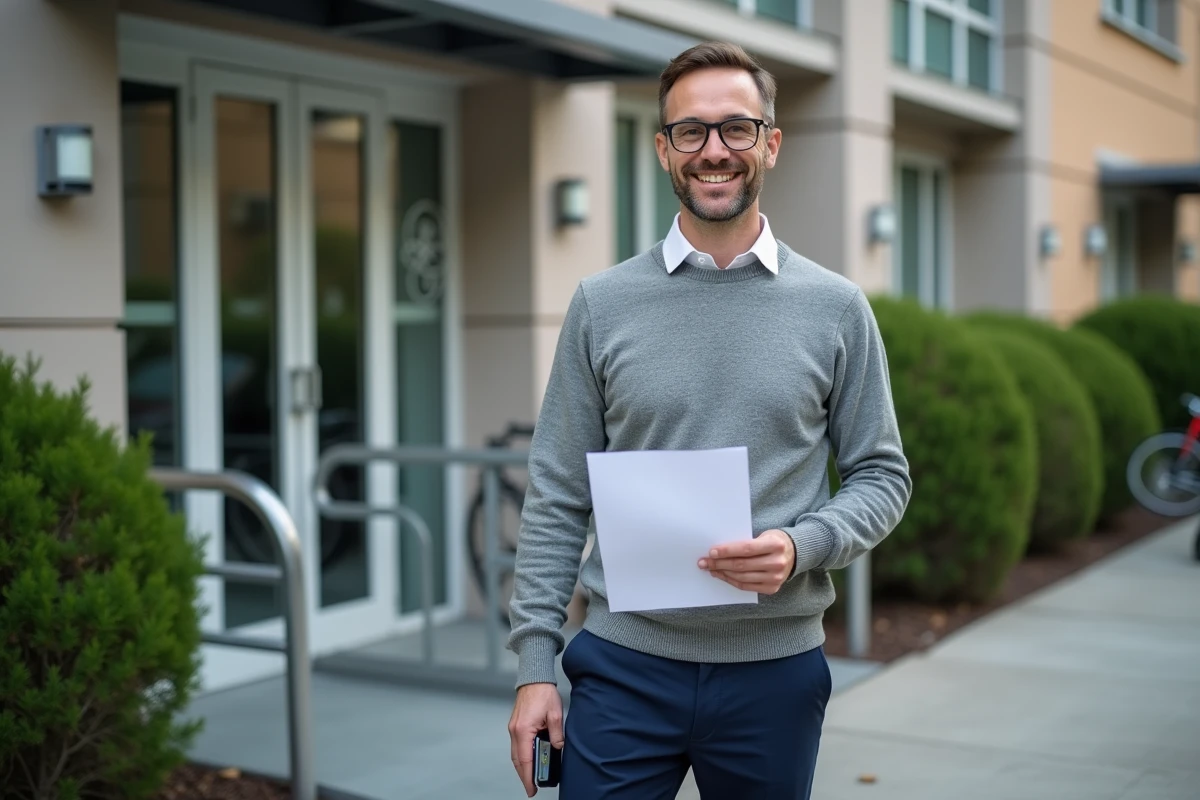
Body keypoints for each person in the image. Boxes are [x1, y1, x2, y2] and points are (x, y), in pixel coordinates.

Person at [505, 41, 911, 799]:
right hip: (624, 666)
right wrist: (535, 668)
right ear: (663, 149)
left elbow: (883, 475)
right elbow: (557, 493)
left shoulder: (836, 309)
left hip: (774, 673)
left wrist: (802, 545)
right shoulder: (602, 304)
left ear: (771, 143)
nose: (714, 150)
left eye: (736, 129)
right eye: (691, 132)